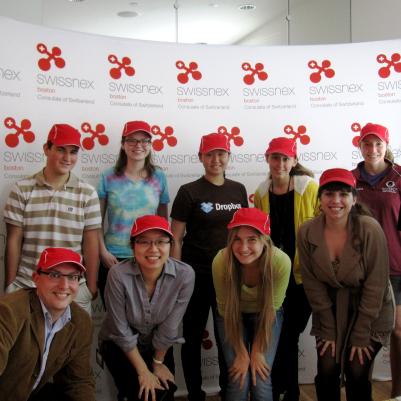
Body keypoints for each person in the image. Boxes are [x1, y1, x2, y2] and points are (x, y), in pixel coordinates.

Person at [298, 168, 395, 401]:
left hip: (373, 310)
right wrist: (329, 327)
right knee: (327, 367)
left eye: (343, 194)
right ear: (319, 198)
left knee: (356, 367)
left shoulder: (369, 229)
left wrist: (361, 332)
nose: (336, 201)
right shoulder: (306, 231)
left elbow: (376, 285)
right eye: (329, 194)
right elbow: (312, 284)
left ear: (354, 198)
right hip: (329, 309)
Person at [170, 132, 248, 401]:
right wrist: (178, 274)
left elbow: (244, 234)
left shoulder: (238, 190)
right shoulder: (189, 191)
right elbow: (176, 237)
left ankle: (229, 393)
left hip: (228, 276)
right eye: (210, 154)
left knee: (227, 338)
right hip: (194, 275)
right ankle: (194, 394)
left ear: (228, 157)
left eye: (221, 154)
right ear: (201, 157)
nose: (216, 159)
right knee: (191, 338)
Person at [4, 123, 101, 314]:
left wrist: (90, 286)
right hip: (28, 285)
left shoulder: (87, 193)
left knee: (75, 344)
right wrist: (10, 285)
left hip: (72, 289)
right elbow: (14, 240)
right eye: (60, 150)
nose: (67, 158)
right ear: (46, 149)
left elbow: (91, 243)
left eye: (73, 152)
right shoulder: (22, 189)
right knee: (26, 345)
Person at [99, 215, 195, 401]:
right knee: (139, 393)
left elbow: (170, 326)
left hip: (157, 345)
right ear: (133, 246)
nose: (153, 249)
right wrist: (144, 371)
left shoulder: (185, 275)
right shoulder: (117, 275)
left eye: (161, 242)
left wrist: (157, 363)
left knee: (165, 392)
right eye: (144, 242)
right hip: (119, 345)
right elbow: (120, 331)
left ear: (171, 245)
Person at [253, 136, 319, 401]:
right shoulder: (260, 192)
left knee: (289, 334)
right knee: (281, 337)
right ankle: (286, 391)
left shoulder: (309, 188)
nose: (279, 163)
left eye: (285, 158)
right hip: (274, 276)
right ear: (267, 159)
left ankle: (286, 390)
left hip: (304, 278)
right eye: (274, 157)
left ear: (294, 161)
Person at [212, 207, 291, 401]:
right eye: (237, 239)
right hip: (231, 316)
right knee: (240, 379)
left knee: (261, 379)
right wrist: (241, 353)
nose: (243, 247)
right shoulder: (221, 261)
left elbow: (271, 310)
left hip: (266, 315)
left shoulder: (280, 262)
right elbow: (227, 311)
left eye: (252, 239)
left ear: (265, 239)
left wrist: (256, 353)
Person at [0, 247, 95, 401]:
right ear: (36, 278)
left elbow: (78, 382)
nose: (64, 285)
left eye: (72, 277)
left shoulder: (81, 321)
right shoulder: (9, 311)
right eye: (55, 275)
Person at [351, 122, 401, 398]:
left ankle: (397, 394)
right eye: (367, 144)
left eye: (378, 143)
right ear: (359, 145)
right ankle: (360, 391)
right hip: (359, 268)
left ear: (386, 145)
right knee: (364, 331)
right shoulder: (348, 178)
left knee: (398, 332)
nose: (372, 149)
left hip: (396, 267)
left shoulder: (400, 177)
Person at [97, 120, 169, 303]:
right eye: (132, 140)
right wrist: (103, 252)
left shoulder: (159, 177)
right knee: (116, 320)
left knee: (148, 317)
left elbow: (163, 221)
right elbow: (96, 221)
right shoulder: (108, 176)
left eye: (144, 141)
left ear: (150, 145)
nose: (138, 145)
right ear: (123, 144)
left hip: (149, 257)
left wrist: (162, 252)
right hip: (115, 257)